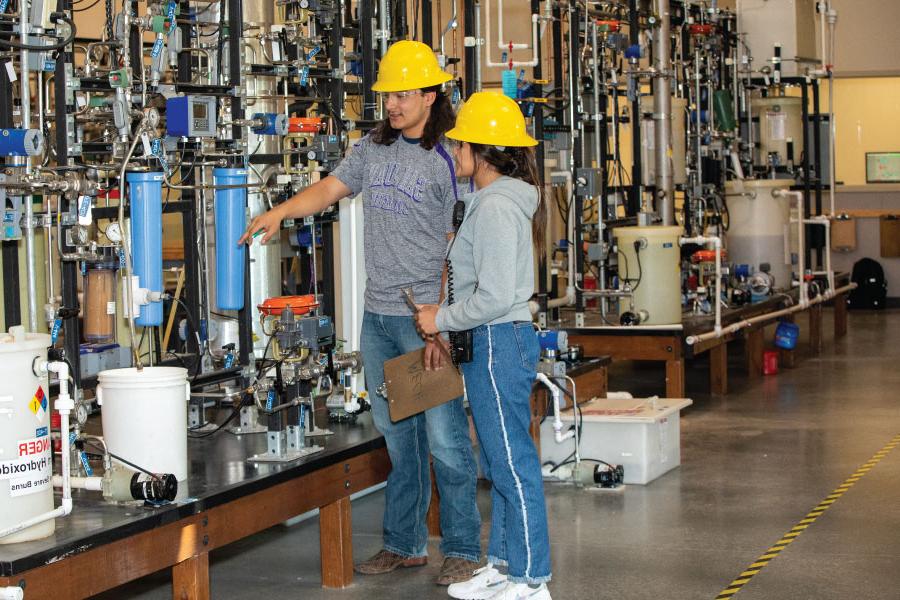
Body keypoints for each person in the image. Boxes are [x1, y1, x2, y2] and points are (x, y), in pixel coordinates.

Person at [238, 40, 482, 585]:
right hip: (378, 319)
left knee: (444, 440)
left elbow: (459, 242)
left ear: (428, 95)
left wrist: (442, 317)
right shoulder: (372, 149)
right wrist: (278, 211)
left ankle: (464, 547)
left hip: (426, 324)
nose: (391, 104)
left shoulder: (451, 156)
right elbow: (330, 188)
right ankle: (405, 543)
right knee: (399, 439)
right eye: (386, 95)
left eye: (401, 94)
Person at [414, 92, 552, 600]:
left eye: (459, 145)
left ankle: (533, 578)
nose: (454, 153)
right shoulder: (490, 203)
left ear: (481, 149)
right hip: (489, 343)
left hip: (497, 340)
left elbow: (493, 296)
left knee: (513, 464)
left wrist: (439, 318)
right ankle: (505, 564)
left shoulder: (496, 207)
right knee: (498, 462)